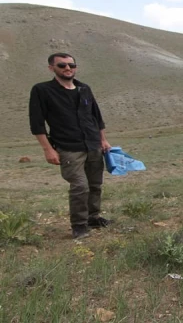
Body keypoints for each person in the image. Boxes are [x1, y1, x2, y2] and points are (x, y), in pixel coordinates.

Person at [29, 53, 112, 239]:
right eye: (62, 65)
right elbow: (37, 123)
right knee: (80, 186)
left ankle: (93, 217)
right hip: (68, 147)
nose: (68, 68)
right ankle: (79, 226)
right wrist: (48, 149)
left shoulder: (84, 89)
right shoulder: (42, 90)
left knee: (95, 185)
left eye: (71, 65)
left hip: (93, 145)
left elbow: (96, 117)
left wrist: (103, 140)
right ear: (52, 68)